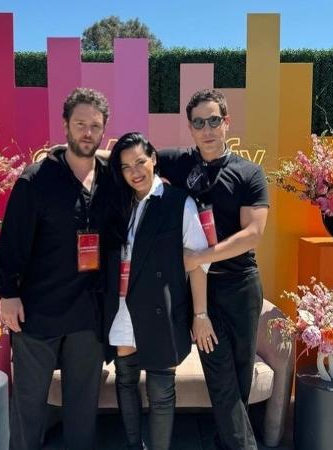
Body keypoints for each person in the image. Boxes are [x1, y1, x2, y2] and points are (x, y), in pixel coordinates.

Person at [0, 87, 112, 450]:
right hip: (38, 311)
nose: (87, 132)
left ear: (104, 131)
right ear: (65, 126)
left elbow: (149, 160)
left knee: (82, 408)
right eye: (80, 124)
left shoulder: (111, 179)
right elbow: (12, 244)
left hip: (88, 314)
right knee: (28, 405)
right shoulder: (35, 180)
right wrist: (8, 296)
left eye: (95, 126)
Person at [157, 89, 269, 450]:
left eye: (214, 120)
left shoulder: (249, 173)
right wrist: (73, 153)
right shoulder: (179, 163)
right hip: (202, 293)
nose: (207, 129)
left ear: (227, 123)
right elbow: (130, 159)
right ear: (190, 128)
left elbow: (252, 234)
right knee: (222, 379)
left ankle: (227, 443)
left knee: (238, 381)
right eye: (199, 123)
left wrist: (200, 256)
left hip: (242, 289)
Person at [104, 132, 215, 450]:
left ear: (154, 158)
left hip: (160, 307)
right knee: (125, 380)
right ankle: (132, 444)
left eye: (140, 161)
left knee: (161, 391)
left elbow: (197, 263)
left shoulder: (179, 202)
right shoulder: (119, 203)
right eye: (126, 167)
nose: (135, 171)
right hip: (123, 306)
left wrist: (200, 314)